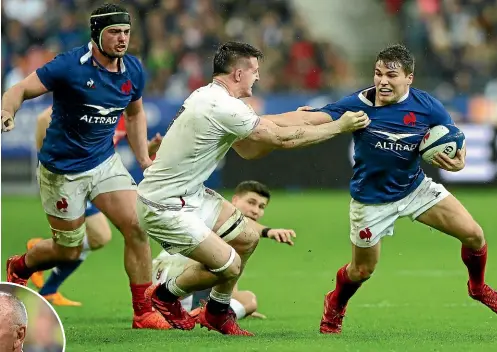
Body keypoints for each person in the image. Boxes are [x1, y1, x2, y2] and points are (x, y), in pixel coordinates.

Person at [260, 44, 497, 333]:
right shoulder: (358, 104)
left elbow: (454, 136)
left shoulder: (427, 105)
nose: (382, 81)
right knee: (362, 270)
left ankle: (477, 287)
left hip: (414, 188)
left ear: (409, 78)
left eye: (391, 75)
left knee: (474, 235)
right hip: (371, 201)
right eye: (378, 73)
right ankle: (335, 303)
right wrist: (260, 121)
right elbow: (308, 117)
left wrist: (459, 161)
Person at [136, 41, 369, 336]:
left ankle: (218, 313)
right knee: (230, 266)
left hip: (188, 195)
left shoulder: (211, 97)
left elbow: (252, 147)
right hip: (164, 205)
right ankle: (165, 295)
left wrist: (310, 119)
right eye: (254, 70)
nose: (257, 77)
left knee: (246, 237)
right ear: (237, 73)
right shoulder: (221, 106)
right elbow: (282, 139)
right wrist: (339, 127)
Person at [2, 3, 169, 329]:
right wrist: (7, 110)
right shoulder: (70, 66)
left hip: (104, 163)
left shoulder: (132, 69)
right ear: (96, 33)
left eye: (126, 32)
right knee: (69, 250)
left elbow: (134, 114)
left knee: (138, 226)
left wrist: (144, 158)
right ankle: (21, 267)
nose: (122, 39)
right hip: (62, 172)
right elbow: (20, 88)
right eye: (114, 32)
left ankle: (143, 311)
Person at [27, 107, 162, 306]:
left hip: (95, 178)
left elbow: (139, 153)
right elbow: (42, 119)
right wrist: (47, 164)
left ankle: (46, 271)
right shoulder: (94, 100)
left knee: (99, 237)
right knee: (100, 235)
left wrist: (150, 148)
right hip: (70, 176)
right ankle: (41, 256)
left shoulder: (127, 115)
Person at [152, 180, 295, 320]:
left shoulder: (236, 234)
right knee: (242, 292)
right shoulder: (219, 216)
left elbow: (230, 279)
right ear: (235, 200)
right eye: (251, 202)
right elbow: (243, 223)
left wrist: (239, 308)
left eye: (261, 206)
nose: (255, 210)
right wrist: (267, 231)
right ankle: (198, 312)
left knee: (246, 297)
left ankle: (200, 312)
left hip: (171, 284)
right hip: (170, 277)